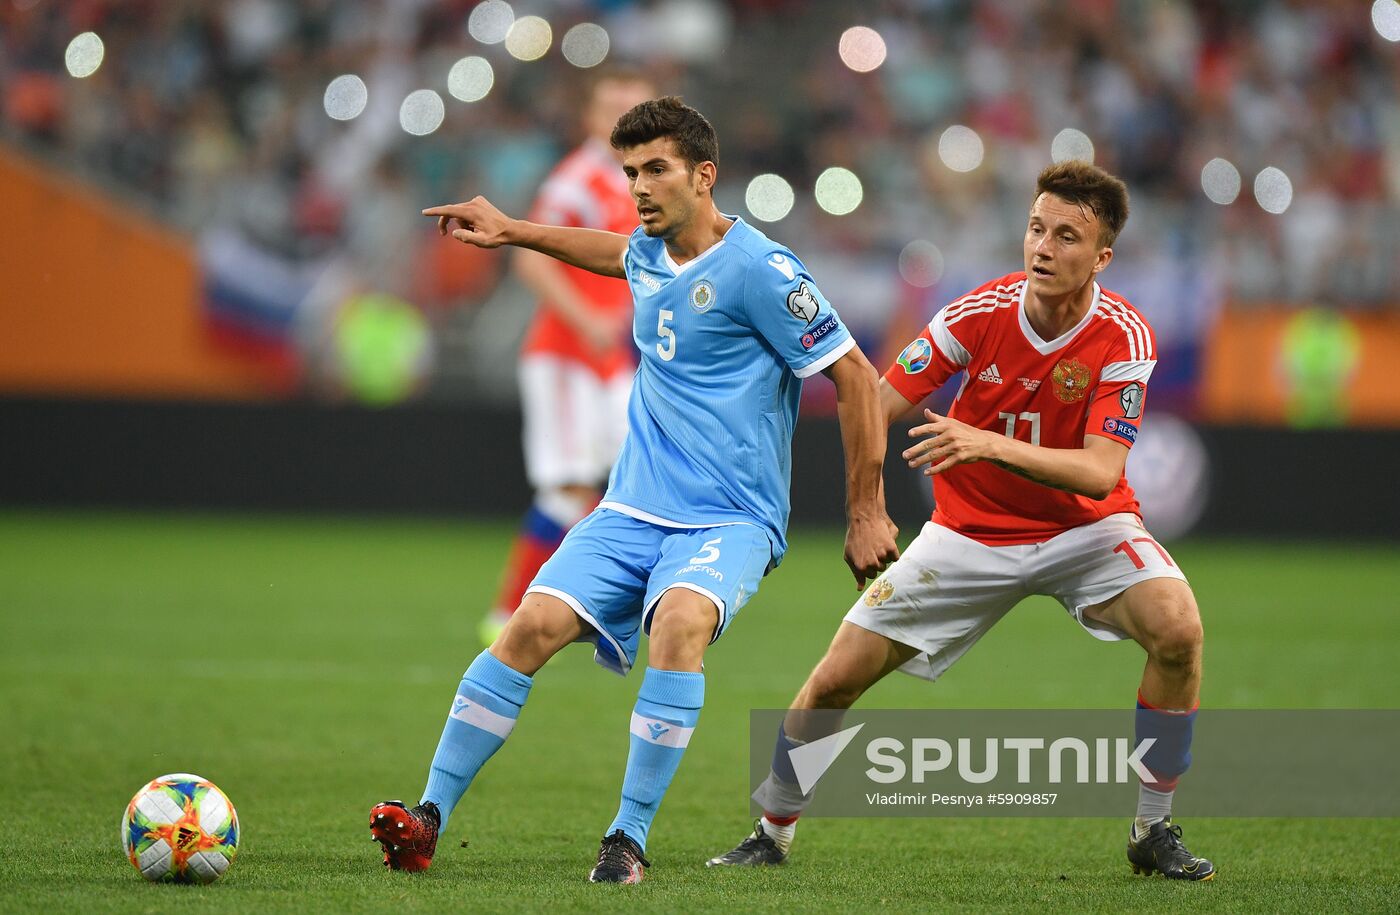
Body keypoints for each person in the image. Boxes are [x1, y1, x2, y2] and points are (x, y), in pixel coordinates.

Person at [369, 97, 900, 884]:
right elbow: (611, 251)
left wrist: (866, 509)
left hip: (730, 518)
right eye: (630, 173)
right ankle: (427, 817)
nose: (640, 188)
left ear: (704, 176)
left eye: (656, 170)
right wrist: (512, 228)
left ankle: (628, 836)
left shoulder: (761, 270)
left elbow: (856, 377)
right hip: (630, 508)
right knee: (527, 627)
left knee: (679, 624)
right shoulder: (649, 249)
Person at [708, 160, 1215, 881]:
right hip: (968, 533)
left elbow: (1103, 470)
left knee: (1179, 629)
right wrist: (867, 506)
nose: (1043, 246)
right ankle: (771, 828)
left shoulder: (1124, 336)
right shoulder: (975, 313)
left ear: (1102, 257)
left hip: (1087, 532)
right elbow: (874, 405)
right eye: (1037, 228)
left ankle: (1152, 827)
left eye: (1067, 236)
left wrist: (984, 442)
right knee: (833, 680)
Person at [479, 70, 655, 648]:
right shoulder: (576, 180)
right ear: (590, 118)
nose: (621, 120)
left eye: (633, 109)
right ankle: (508, 615)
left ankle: (592, 606)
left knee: (633, 479)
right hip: (564, 355)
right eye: (611, 108)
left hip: (612, 360)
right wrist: (587, 322)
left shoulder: (643, 185)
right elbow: (529, 261)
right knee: (569, 487)